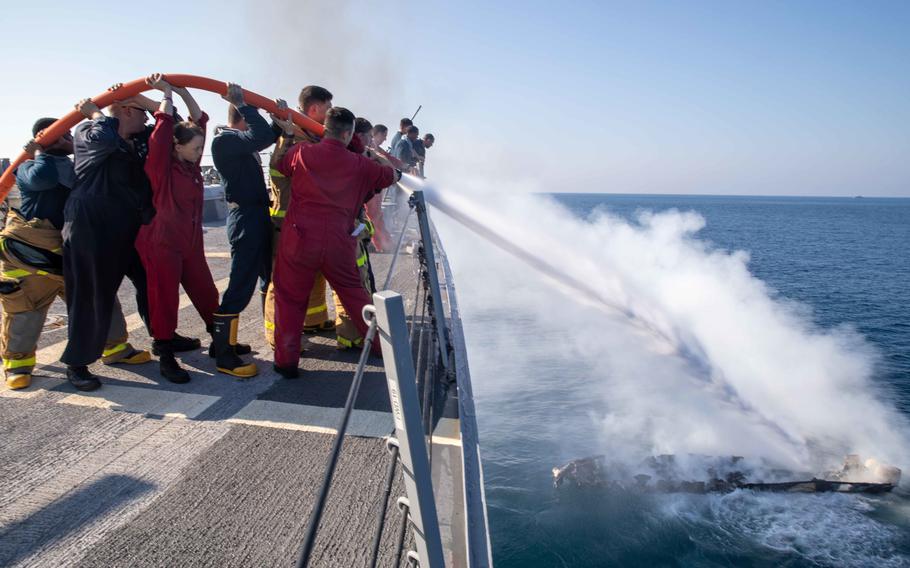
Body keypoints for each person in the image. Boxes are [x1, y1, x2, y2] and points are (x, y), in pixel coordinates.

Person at [0, 120, 149, 390]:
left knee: (99, 298)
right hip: (34, 253)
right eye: (62, 135)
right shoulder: (29, 168)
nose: (70, 138)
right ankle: (18, 363)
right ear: (45, 139)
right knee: (26, 310)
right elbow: (42, 180)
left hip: (73, 246)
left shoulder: (75, 165)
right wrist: (41, 152)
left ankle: (114, 347)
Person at [137, 74, 256, 382]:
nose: (199, 151)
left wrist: (183, 90)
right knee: (165, 297)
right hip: (161, 242)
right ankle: (164, 353)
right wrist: (166, 95)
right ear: (176, 146)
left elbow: (199, 119)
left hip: (189, 241)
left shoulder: (189, 165)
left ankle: (218, 342)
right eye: (195, 147)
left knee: (205, 290)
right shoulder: (160, 167)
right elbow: (163, 130)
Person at [271, 107, 399, 377]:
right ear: (349, 133)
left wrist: (288, 135)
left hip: (299, 238)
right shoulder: (360, 164)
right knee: (355, 296)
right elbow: (390, 175)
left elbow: (280, 164)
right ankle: (382, 347)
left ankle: (286, 361)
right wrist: (369, 151)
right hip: (338, 241)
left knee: (290, 300)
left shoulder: (302, 152)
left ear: (325, 128)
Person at [61, 91, 168, 391]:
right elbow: (103, 139)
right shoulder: (89, 130)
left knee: (151, 280)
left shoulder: (134, 141)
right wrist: (97, 113)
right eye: (140, 112)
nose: (146, 118)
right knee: (90, 294)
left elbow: (170, 123)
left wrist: (143, 99)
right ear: (123, 111)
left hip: (126, 227)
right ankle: (77, 363)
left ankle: (163, 340)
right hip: (90, 226)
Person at [211, 83, 282, 365]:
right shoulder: (224, 141)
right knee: (241, 283)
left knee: (267, 275)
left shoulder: (239, 140)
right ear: (241, 117)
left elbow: (267, 134)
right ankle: (223, 354)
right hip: (245, 219)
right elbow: (262, 135)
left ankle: (268, 331)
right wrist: (244, 104)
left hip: (257, 214)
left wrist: (279, 117)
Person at [263, 85, 334, 347]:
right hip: (288, 223)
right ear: (314, 109)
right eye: (327, 108)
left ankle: (313, 319)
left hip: (309, 222)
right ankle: (276, 334)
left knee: (315, 273)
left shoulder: (311, 138)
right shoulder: (293, 141)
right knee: (284, 281)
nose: (329, 114)